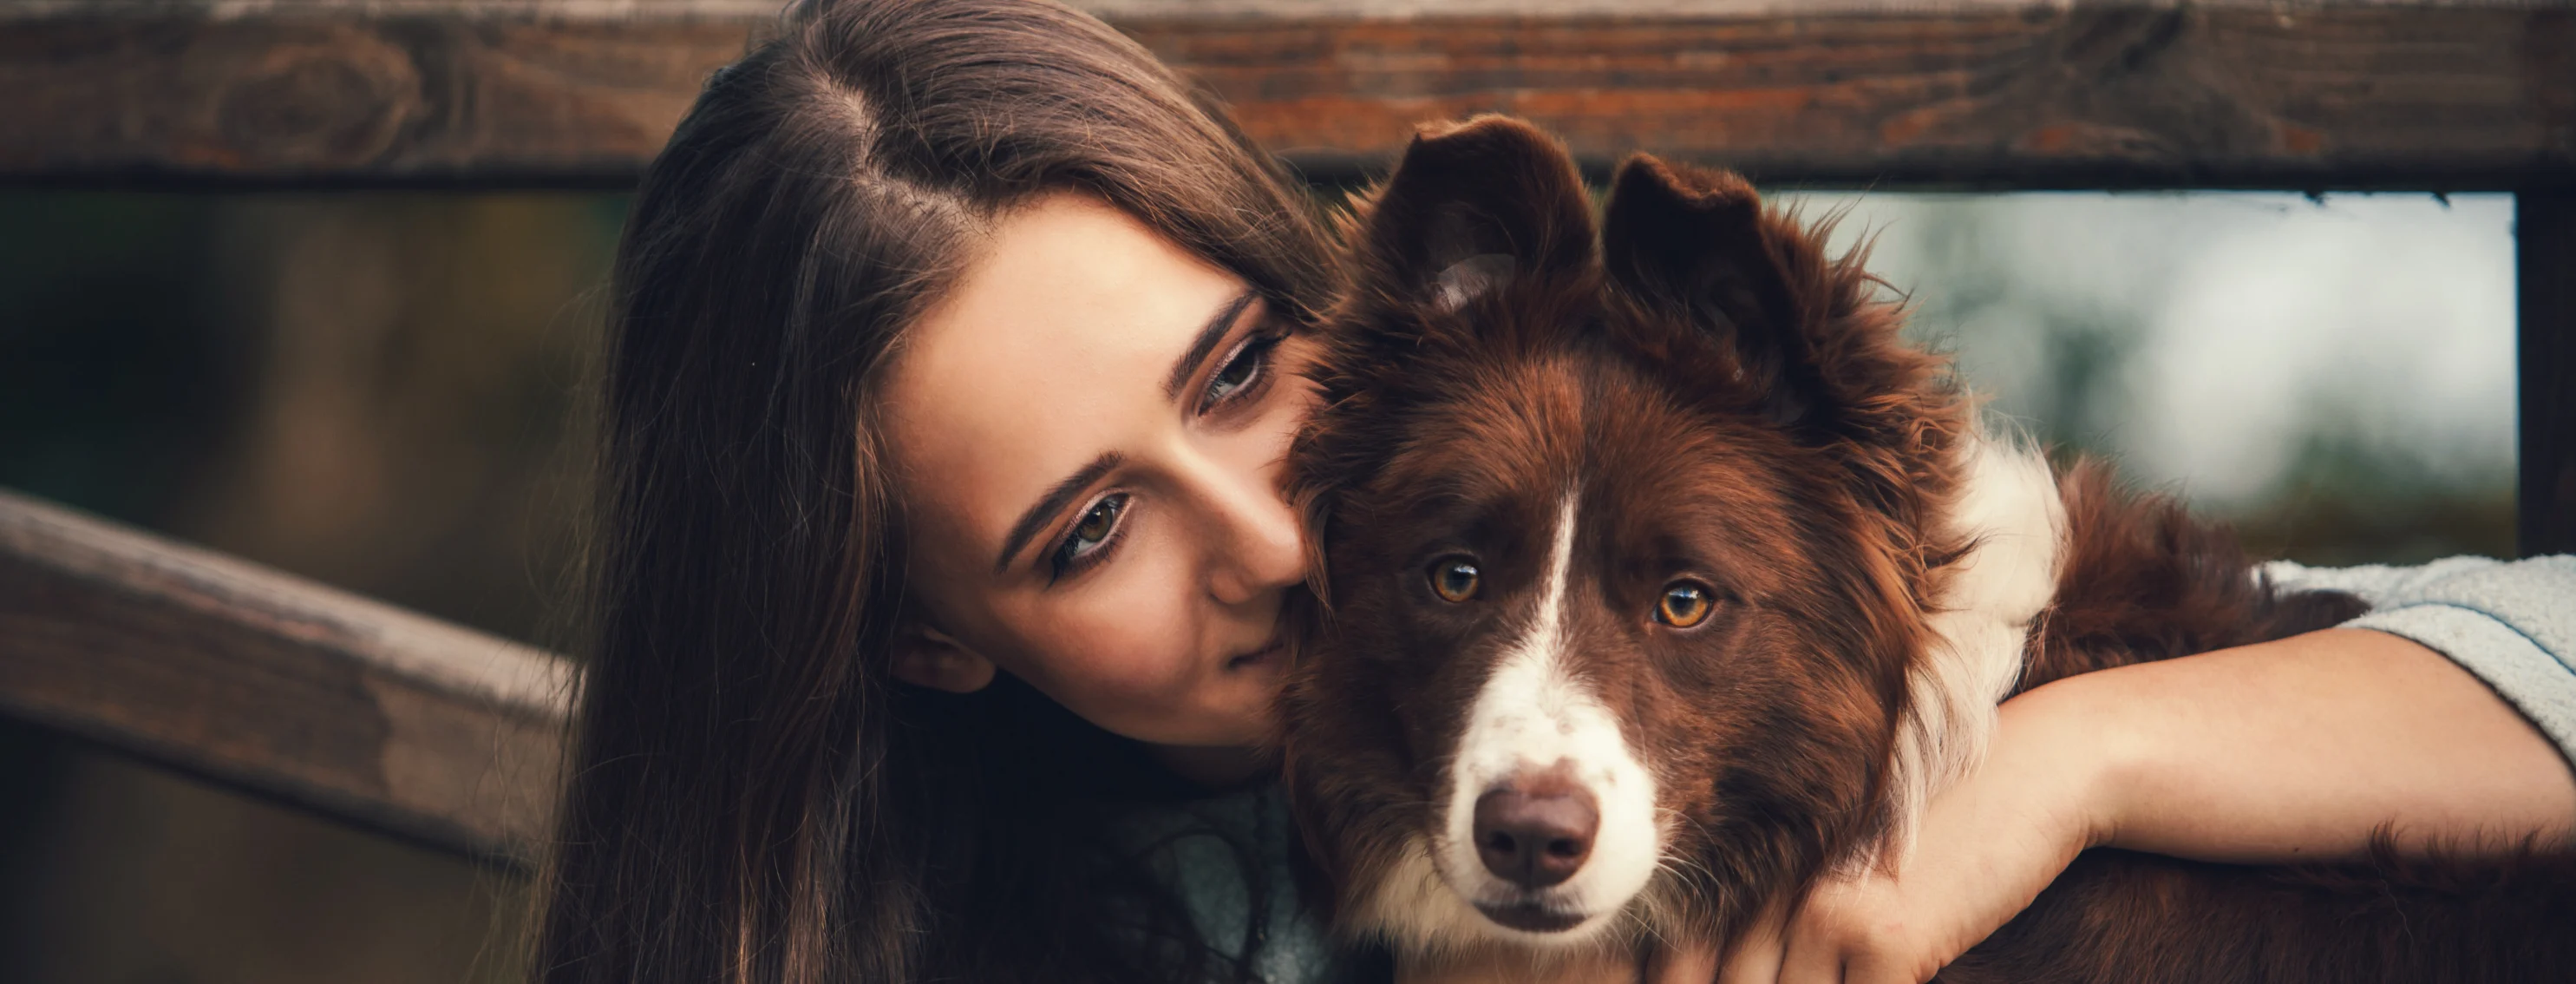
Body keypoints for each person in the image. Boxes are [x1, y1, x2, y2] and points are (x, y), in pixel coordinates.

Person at [529, 0, 2576, 981]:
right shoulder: (1035, 937)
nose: (1269, 539)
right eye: (1088, 531)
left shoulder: (1891, 621)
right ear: (914, 633)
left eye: (1240, 374)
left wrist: (2075, 771)